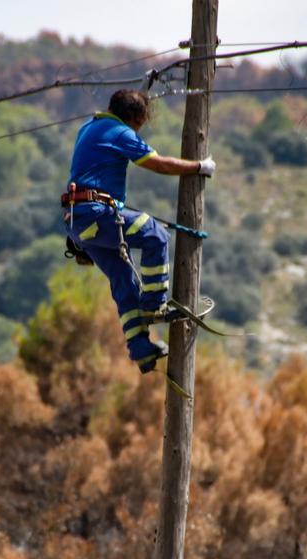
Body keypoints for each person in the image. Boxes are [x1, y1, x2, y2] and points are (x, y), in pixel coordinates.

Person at [61, 89, 215, 373]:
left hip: (77, 222)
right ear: (134, 118)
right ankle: (154, 305)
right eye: (140, 125)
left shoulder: (90, 125)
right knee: (154, 234)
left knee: (123, 279)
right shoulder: (121, 132)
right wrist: (199, 167)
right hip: (96, 214)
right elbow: (157, 164)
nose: (138, 131)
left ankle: (141, 349)